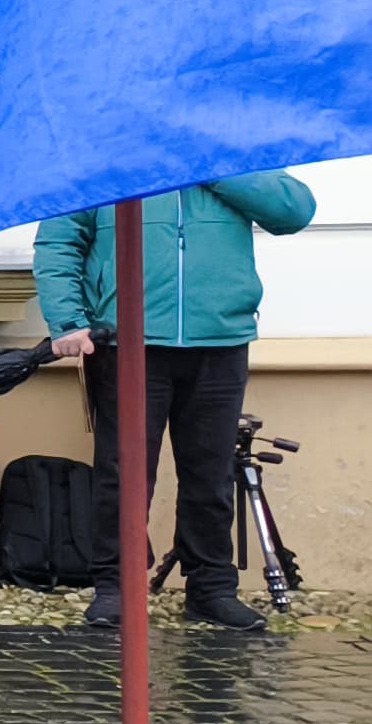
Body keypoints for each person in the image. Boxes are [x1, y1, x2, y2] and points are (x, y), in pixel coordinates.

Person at [36, 170, 316, 633]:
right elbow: (59, 241)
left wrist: (214, 167)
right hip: (126, 340)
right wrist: (68, 319)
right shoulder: (111, 155)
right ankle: (117, 586)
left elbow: (294, 211)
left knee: (210, 475)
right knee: (122, 473)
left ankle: (211, 588)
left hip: (220, 339)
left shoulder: (228, 154)